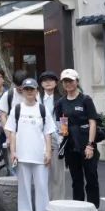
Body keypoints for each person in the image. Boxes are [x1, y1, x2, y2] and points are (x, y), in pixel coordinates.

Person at [6, 78, 55, 211]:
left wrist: (48, 152)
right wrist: (13, 152)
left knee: (42, 186)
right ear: (22, 91)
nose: (29, 92)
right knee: (24, 187)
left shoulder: (42, 109)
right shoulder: (17, 109)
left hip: (40, 155)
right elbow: (12, 132)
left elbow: (48, 133)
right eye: (26, 89)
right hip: (22, 155)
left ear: (36, 91)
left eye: (31, 89)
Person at [55, 69, 101, 209]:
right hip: (71, 145)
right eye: (65, 81)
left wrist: (90, 145)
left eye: (71, 81)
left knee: (91, 177)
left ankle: (93, 208)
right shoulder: (61, 102)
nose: (68, 84)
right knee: (76, 179)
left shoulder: (85, 99)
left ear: (77, 82)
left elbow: (93, 122)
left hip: (86, 143)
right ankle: (78, 208)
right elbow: (62, 123)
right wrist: (63, 138)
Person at [39, 70, 67, 202]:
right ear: (41, 84)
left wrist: (63, 135)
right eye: (45, 80)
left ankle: (58, 202)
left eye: (50, 80)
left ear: (56, 83)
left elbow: (64, 119)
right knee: (41, 174)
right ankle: (43, 204)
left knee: (57, 174)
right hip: (39, 140)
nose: (48, 82)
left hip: (56, 139)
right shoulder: (36, 99)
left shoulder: (62, 99)